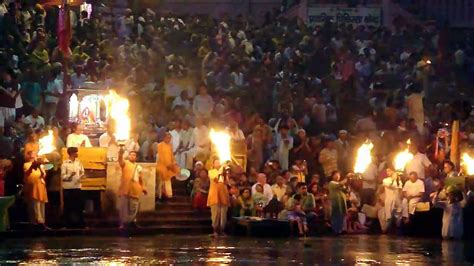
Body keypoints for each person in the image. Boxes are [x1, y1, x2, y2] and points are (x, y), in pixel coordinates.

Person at [117, 148, 147, 229]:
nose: (132, 156)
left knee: (134, 208)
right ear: (128, 156)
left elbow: (141, 179)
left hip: (135, 189)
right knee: (124, 208)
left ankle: (132, 222)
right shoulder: (125, 163)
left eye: (134, 155)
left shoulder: (138, 167)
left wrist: (143, 188)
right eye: (131, 155)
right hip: (126, 188)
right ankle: (123, 224)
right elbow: (120, 160)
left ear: (136, 157)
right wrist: (120, 153)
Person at [23, 149, 49, 230]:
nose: (34, 155)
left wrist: (40, 167)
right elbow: (27, 173)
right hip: (32, 186)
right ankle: (35, 222)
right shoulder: (26, 164)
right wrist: (32, 166)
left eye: (35, 153)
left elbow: (43, 176)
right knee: (34, 204)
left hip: (40, 185)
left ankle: (42, 222)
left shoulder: (41, 165)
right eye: (33, 154)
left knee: (41, 204)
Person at [60, 147, 85, 228]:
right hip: (68, 188)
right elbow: (63, 177)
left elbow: (82, 172)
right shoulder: (65, 164)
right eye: (76, 152)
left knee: (79, 207)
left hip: (77, 187)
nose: (77, 154)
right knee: (68, 207)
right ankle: (67, 225)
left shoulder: (79, 163)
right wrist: (70, 175)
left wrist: (82, 177)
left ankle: (80, 224)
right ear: (72, 153)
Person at [207, 160, 230, 237]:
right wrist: (221, 170)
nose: (218, 164)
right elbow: (215, 179)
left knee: (223, 214)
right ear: (213, 164)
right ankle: (215, 230)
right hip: (214, 194)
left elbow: (227, 182)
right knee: (215, 214)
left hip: (223, 194)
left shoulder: (224, 173)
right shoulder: (211, 172)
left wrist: (225, 172)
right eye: (216, 162)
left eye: (219, 162)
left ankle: (222, 230)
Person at [156, 132, 179, 200]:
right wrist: (167, 165)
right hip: (161, 165)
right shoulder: (160, 145)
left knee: (168, 180)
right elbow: (161, 156)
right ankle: (160, 195)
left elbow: (172, 156)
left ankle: (168, 195)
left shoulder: (170, 146)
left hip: (169, 166)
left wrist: (174, 163)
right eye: (167, 137)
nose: (168, 139)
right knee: (161, 181)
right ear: (164, 138)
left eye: (170, 138)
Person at [380, 168, 403, 233]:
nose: (388, 172)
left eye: (389, 171)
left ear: (393, 171)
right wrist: (393, 179)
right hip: (389, 200)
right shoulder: (385, 180)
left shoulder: (398, 180)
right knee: (388, 217)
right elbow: (389, 185)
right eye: (387, 171)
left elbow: (400, 190)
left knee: (398, 217)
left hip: (397, 200)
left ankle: (398, 230)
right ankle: (386, 231)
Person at [328, 170, 347, 234]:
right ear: (332, 176)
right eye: (336, 174)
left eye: (338, 175)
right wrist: (347, 177)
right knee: (336, 216)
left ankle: (340, 230)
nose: (337, 176)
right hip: (335, 203)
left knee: (341, 216)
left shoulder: (341, 184)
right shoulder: (331, 183)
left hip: (341, 203)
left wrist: (349, 181)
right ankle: (335, 231)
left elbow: (345, 190)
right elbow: (339, 184)